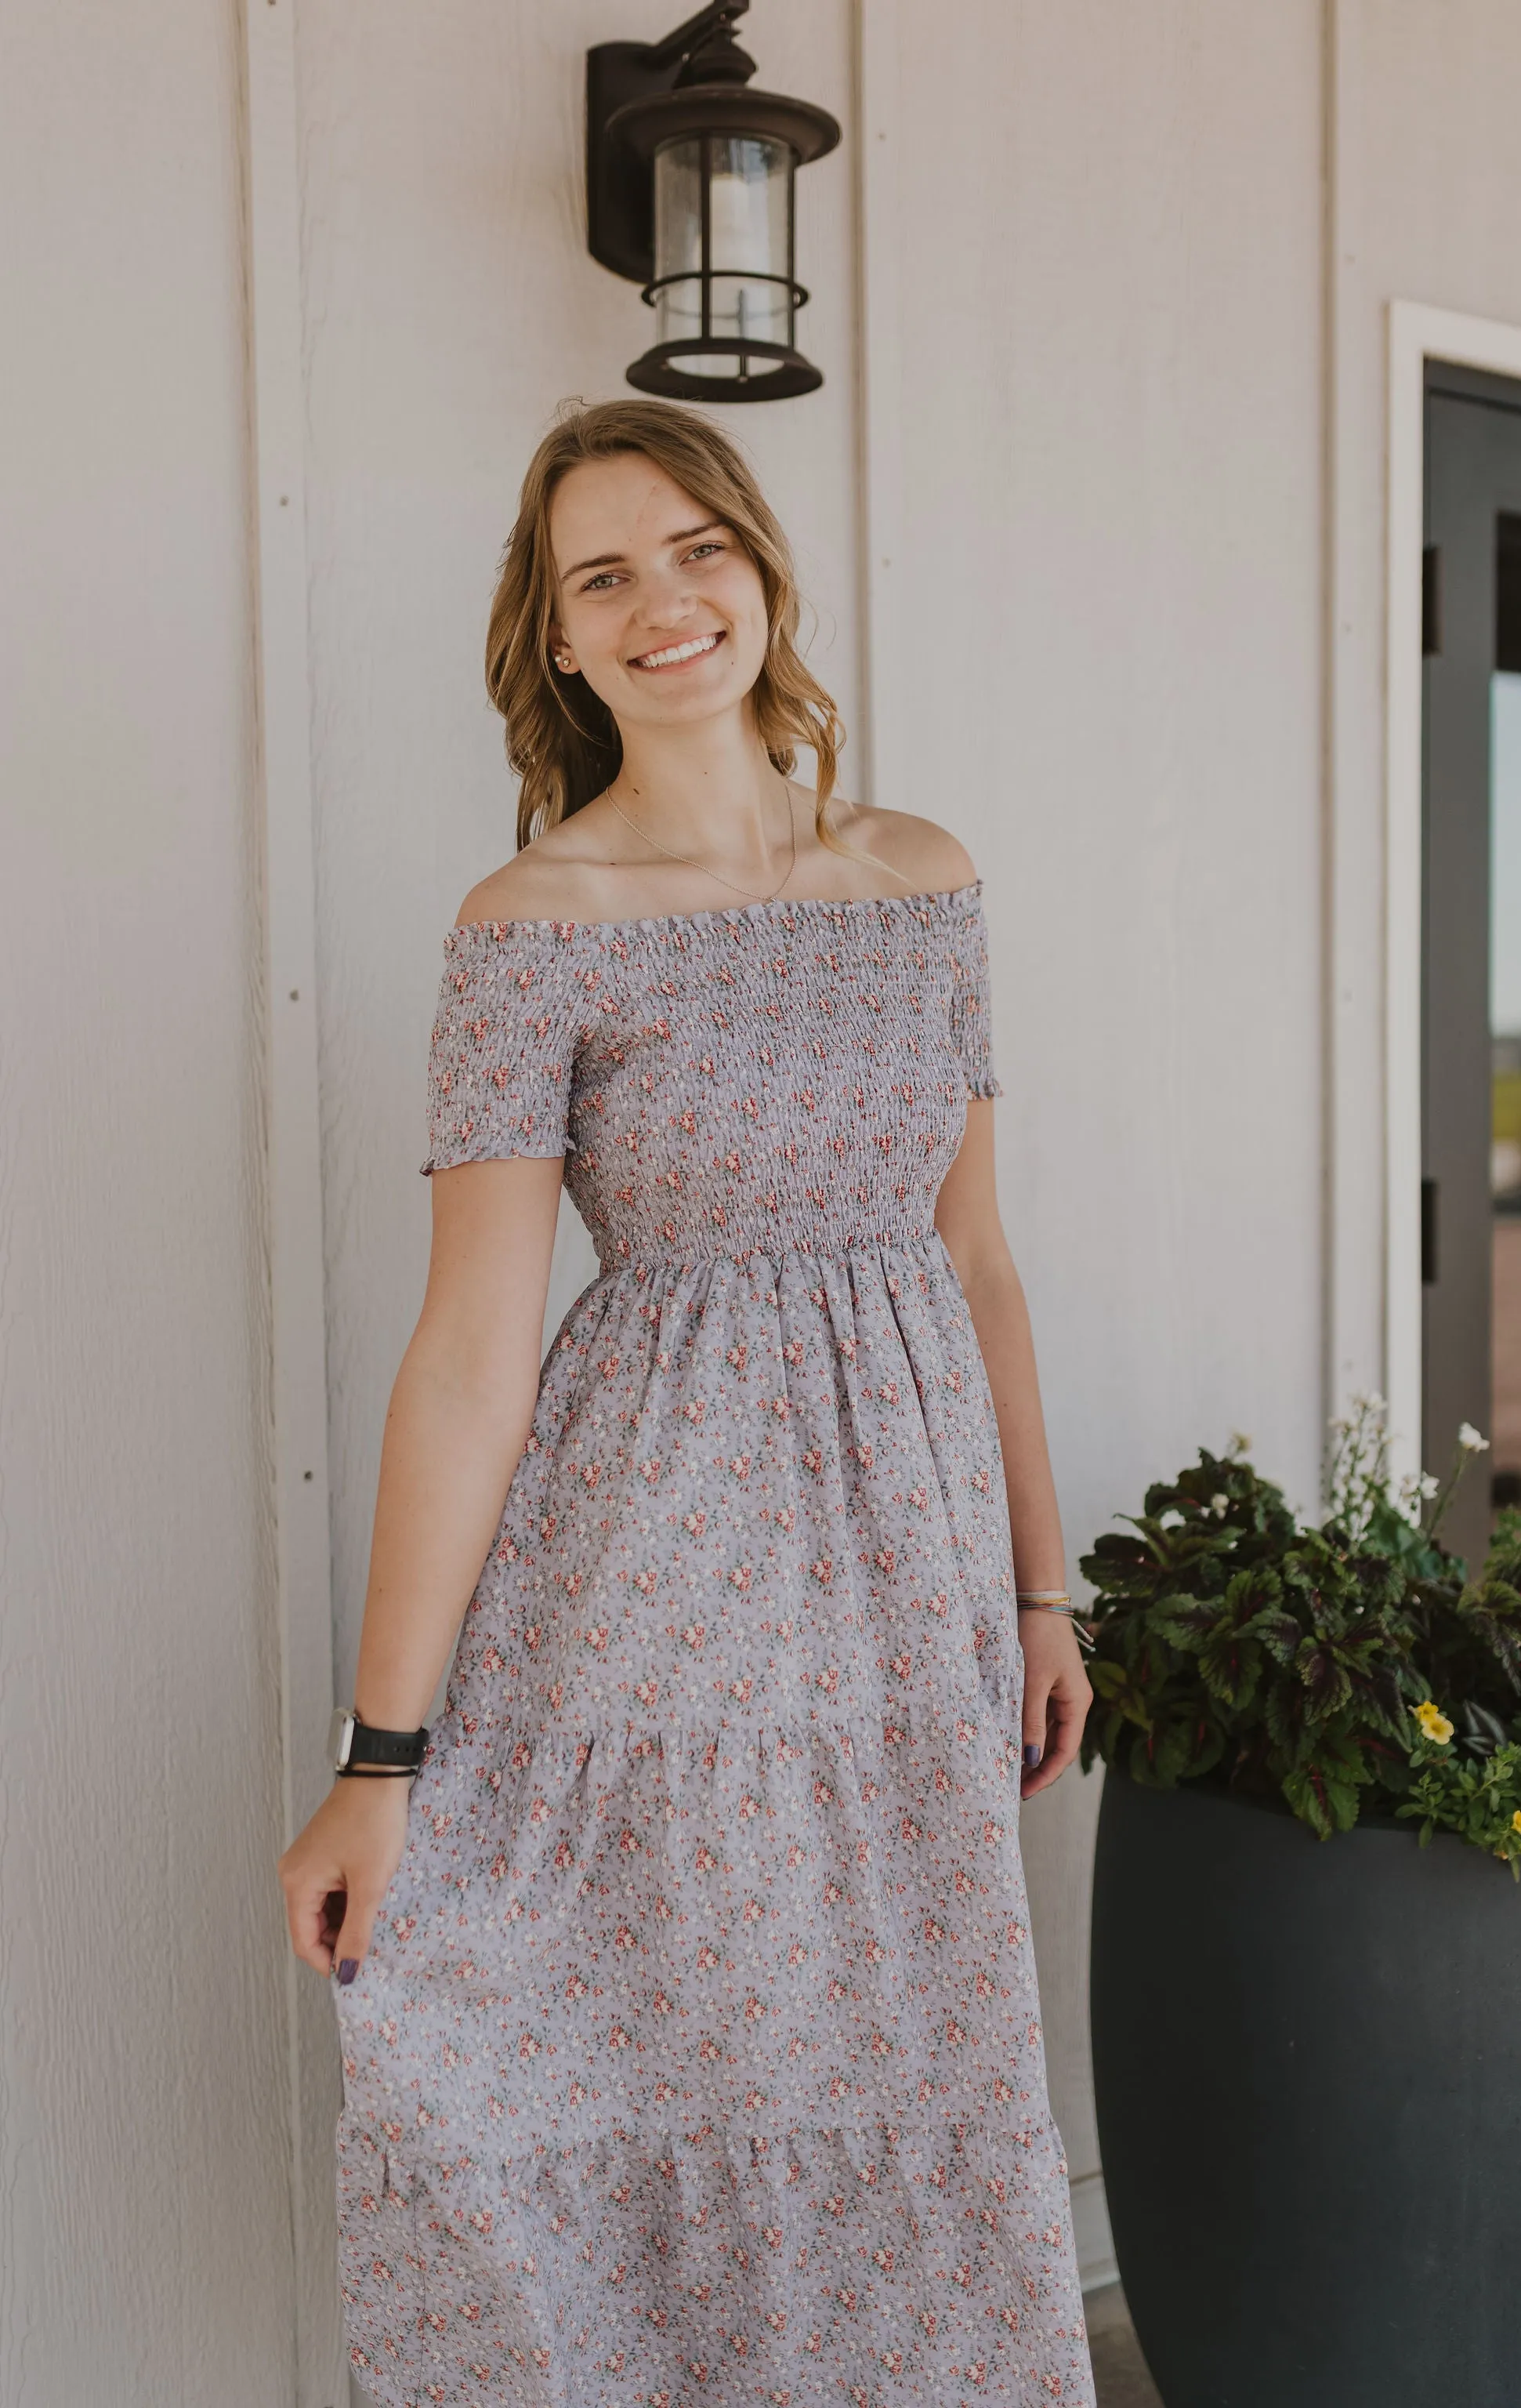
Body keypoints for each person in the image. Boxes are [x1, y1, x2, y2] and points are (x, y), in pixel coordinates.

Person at [278, 396, 1097, 2406]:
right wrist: (383, 1755)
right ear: (556, 638)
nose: (665, 602)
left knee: (887, 2057)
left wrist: (1042, 1590)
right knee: (620, 2058)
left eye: (696, 548)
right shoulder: (528, 930)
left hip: (901, 1587)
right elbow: (472, 1350)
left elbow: (975, 1260)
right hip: (649, 1581)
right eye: (604, 575)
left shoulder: (922, 880)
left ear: (763, 565)